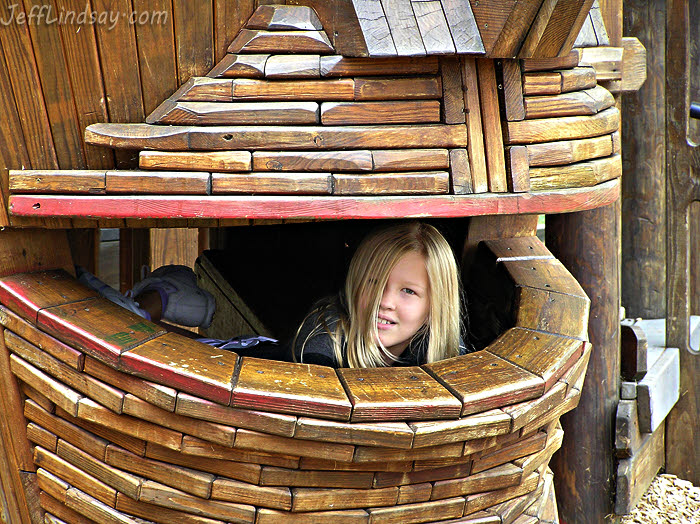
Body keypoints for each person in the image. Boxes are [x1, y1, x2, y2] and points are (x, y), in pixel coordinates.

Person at [289, 221, 468, 368]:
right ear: (356, 283)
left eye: (408, 291)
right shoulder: (320, 348)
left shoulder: (445, 350)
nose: (384, 301)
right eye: (374, 282)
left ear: (434, 308)